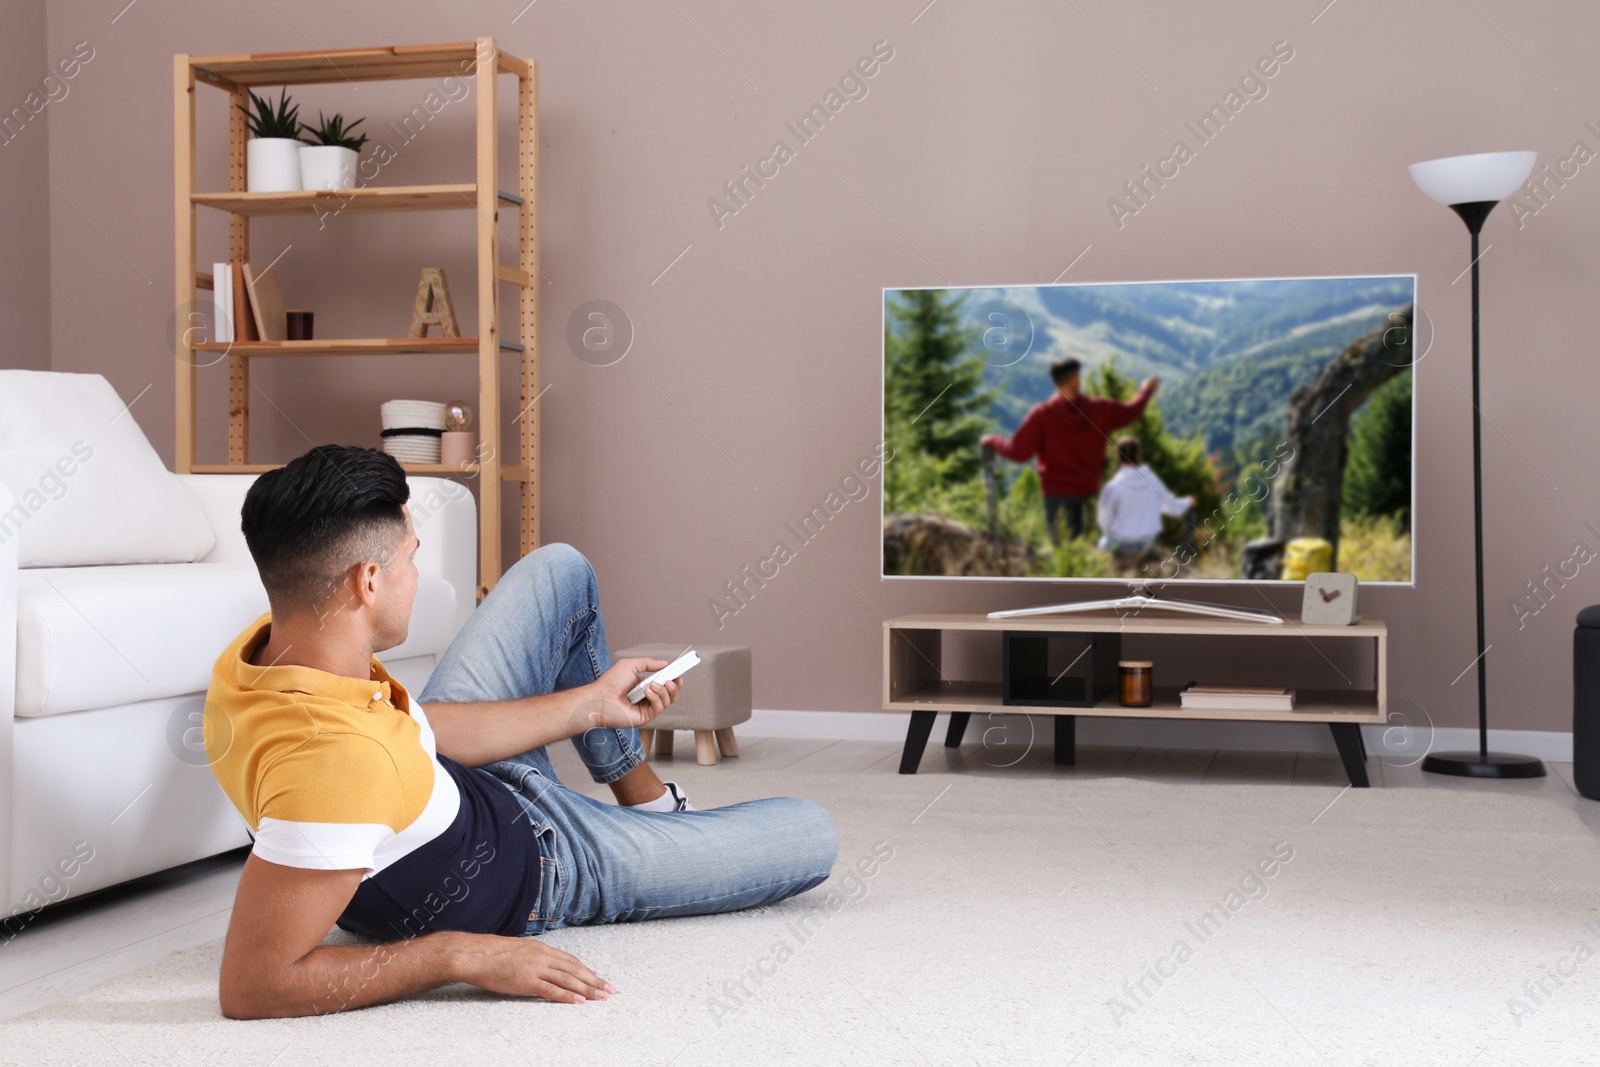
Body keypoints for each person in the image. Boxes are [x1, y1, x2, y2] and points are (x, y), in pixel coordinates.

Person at [202, 445, 837, 1018]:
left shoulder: (263, 659)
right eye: (410, 558)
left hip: (462, 785)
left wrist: (590, 705)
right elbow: (256, 984)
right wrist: (454, 955)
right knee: (810, 833)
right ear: (368, 581)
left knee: (559, 569)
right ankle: (647, 828)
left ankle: (652, 805)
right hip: (552, 862)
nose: (416, 575)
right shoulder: (336, 766)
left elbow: (418, 733)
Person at [981, 358, 1158, 544]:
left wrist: (992, 440)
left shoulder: (1042, 415)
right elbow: (1131, 412)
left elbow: (1019, 453)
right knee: (1076, 543)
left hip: (1055, 491)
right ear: (1075, 380)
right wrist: (1146, 390)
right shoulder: (1098, 409)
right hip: (1085, 488)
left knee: (1059, 549)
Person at [1096, 436, 1193, 563]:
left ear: (1116, 455)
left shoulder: (1113, 487)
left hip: (1118, 544)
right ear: (1138, 453)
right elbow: (1172, 507)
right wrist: (1187, 503)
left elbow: (1103, 520)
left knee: (1100, 547)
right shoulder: (1153, 481)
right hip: (1146, 545)